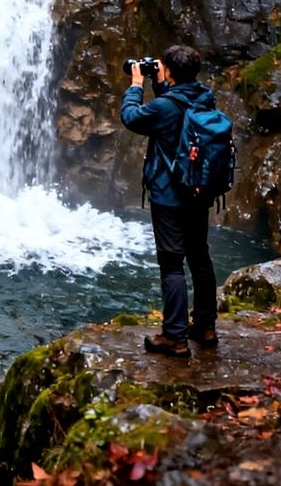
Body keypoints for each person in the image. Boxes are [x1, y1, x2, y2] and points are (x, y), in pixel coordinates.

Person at [120, 44, 218, 359]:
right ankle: (205, 326)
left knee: (172, 262)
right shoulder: (204, 97)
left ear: (170, 70)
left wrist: (137, 85)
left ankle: (174, 337)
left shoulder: (164, 107)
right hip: (199, 191)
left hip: (169, 194)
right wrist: (163, 84)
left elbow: (131, 117)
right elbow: (177, 109)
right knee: (199, 256)